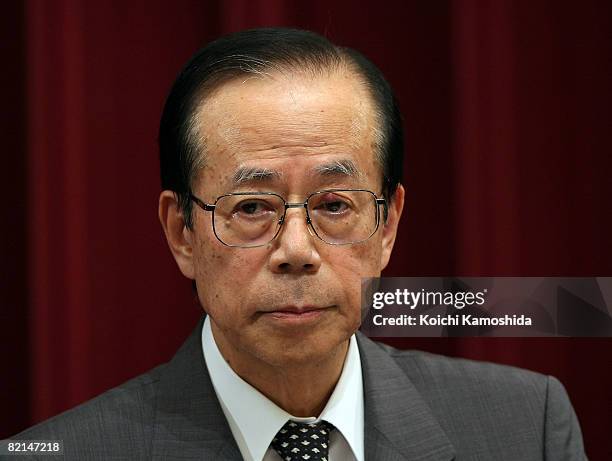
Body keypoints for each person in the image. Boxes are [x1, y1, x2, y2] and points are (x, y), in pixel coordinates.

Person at [6, 28, 586, 461]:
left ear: (388, 225)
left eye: (335, 205)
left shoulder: (524, 427)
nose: (296, 250)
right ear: (182, 231)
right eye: (252, 208)